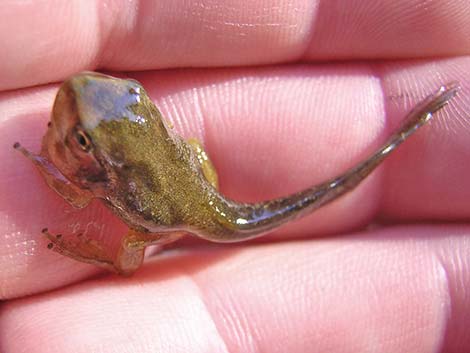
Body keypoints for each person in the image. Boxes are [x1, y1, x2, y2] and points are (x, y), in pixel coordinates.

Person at [0, 1, 469, 352]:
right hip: (191, 181)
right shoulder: (121, 166)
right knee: (193, 167)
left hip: (173, 205)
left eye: (82, 142)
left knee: (130, 247)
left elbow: (80, 198)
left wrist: (50, 168)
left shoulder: (103, 187)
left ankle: (113, 253)